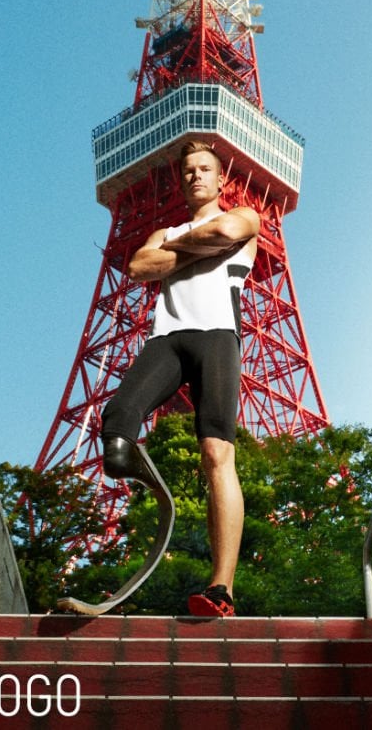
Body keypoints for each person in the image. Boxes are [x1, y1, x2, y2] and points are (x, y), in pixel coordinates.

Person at [101, 139, 259, 617]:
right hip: (166, 339)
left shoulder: (247, 216)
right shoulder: (162, 230)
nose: (195, 177)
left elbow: (229, 229)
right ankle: (144, 479)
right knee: (117, 422)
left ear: (220, 179)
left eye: (204, 169)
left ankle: (221, 587)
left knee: (216, 452)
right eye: (188, 171)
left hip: (217, 337)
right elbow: (138, 267)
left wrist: (175, 251)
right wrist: (200, 244)